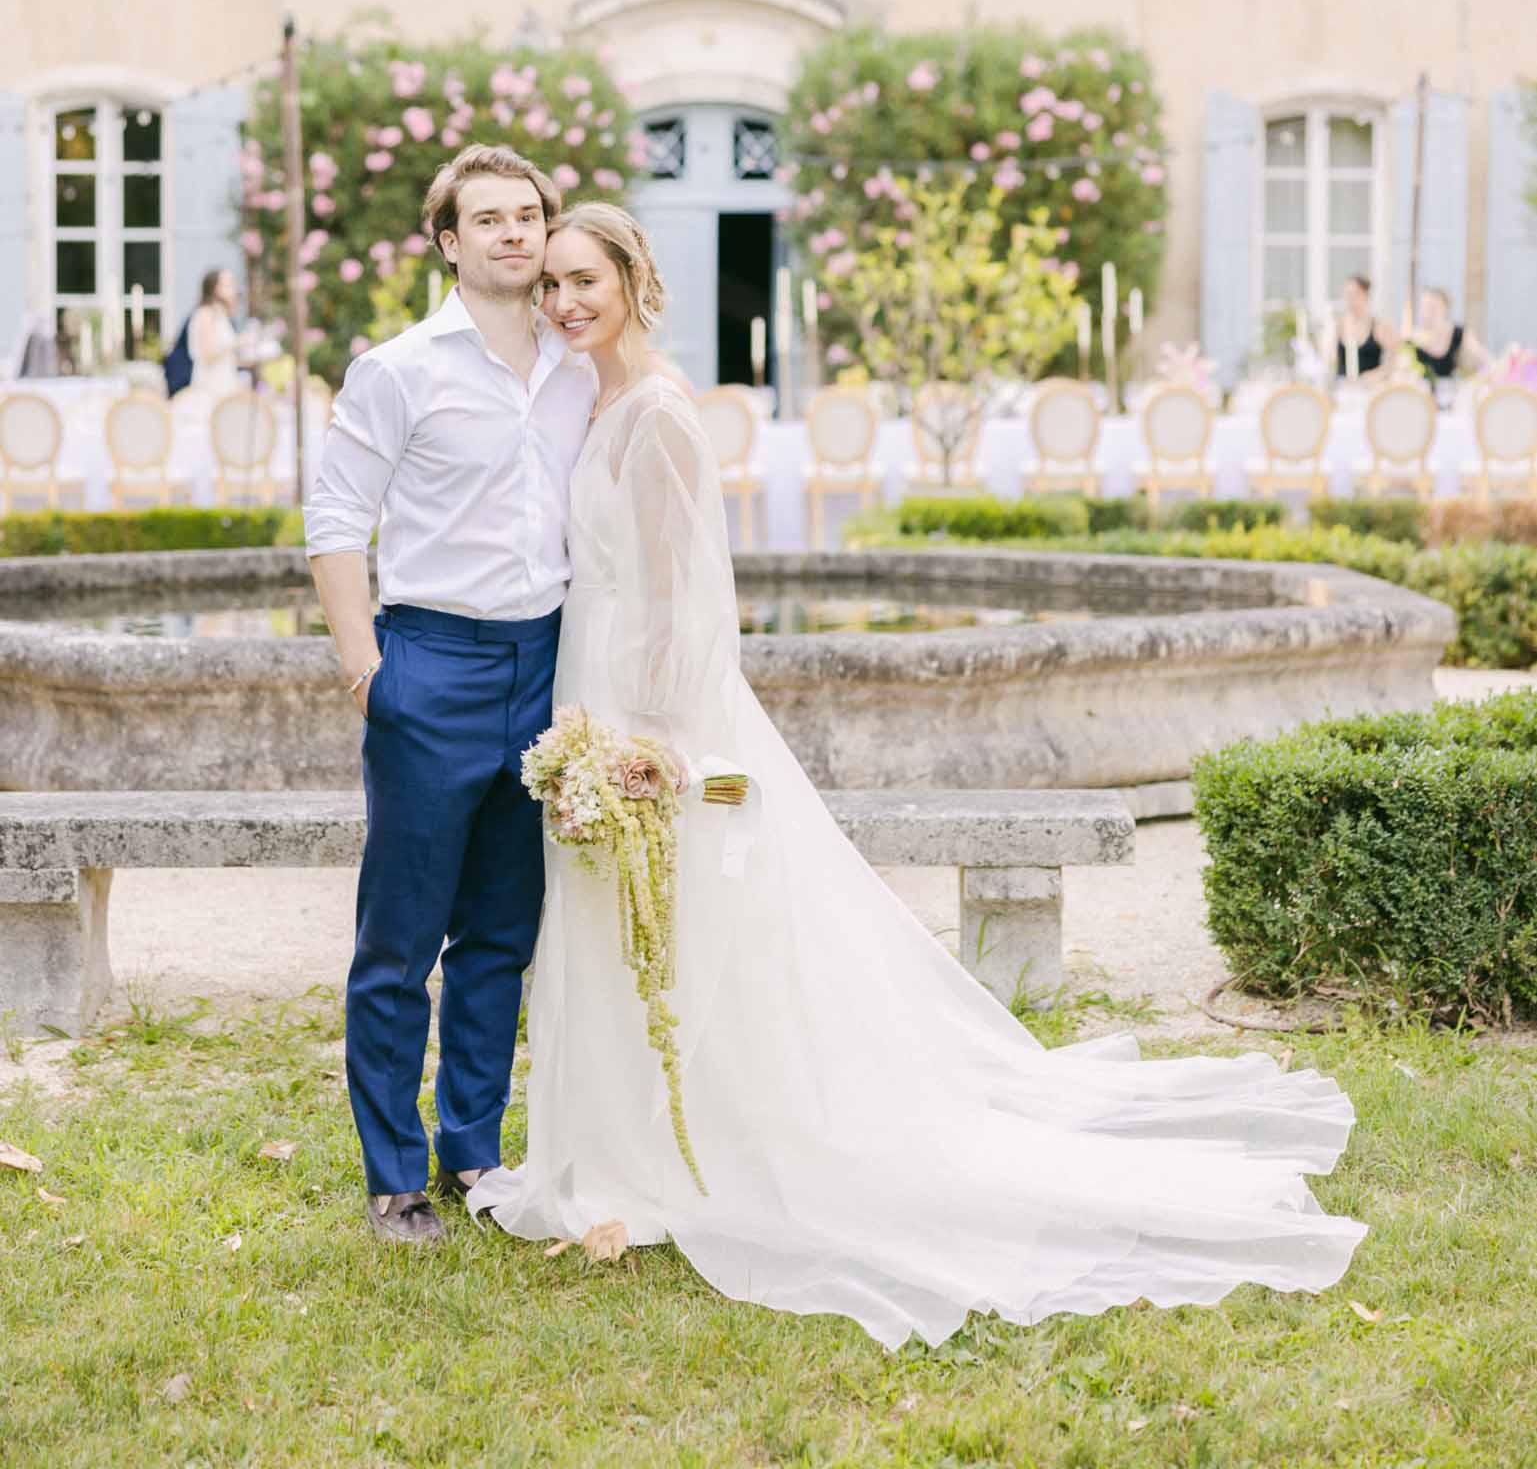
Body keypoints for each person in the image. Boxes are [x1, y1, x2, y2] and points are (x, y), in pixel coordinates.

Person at [467, 205, 1366, 1348]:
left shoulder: (656, 415)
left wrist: (653, 744)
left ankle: (696, 1148)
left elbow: (680, 599)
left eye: (582, 278)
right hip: (584, 686)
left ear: (634, 278)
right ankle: (612, 1149)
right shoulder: (584, 399)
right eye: (548, 284)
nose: (562, 301)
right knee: (611, 922)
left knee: (687, 920)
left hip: (651, 713)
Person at [304, 146, 594, 1244]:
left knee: (499, 936)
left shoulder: (578, 367)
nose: (514, 234)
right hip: (428, 662)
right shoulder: (400, 367)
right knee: (399, 942)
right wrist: (365, 669)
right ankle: (393, 1176)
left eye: (528, 215)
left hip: (546, 665)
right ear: (448, 239)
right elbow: (336, 518)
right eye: (489, 218)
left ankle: (472, 1148)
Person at [1412, 286, 1488, 384]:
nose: (1427, 313)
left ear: (1446, 309)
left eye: (1433, 308)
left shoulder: (1458, 332)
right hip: (1421, 395)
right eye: (1424, 307)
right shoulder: (1413, 338)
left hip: (1449, 393)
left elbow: (1482, 356)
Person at [186, 268, 243, 395]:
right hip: (211, 385)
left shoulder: (221, 315)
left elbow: (225, 357)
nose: (234, 288)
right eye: (229, 284)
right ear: (216, 288)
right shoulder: (205, 314)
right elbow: (207, 354)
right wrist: (238, 342)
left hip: (225, 383)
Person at [1334, 273, 1396, 381]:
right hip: (1343, 388)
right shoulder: (1338, 325)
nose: (1349, 299)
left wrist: (1377, 375)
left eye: (1354, 294)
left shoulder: (1378, 326)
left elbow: (1393, 361)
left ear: (1366, 295)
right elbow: (1330, 360)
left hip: (1370, 389)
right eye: (1346, 294)